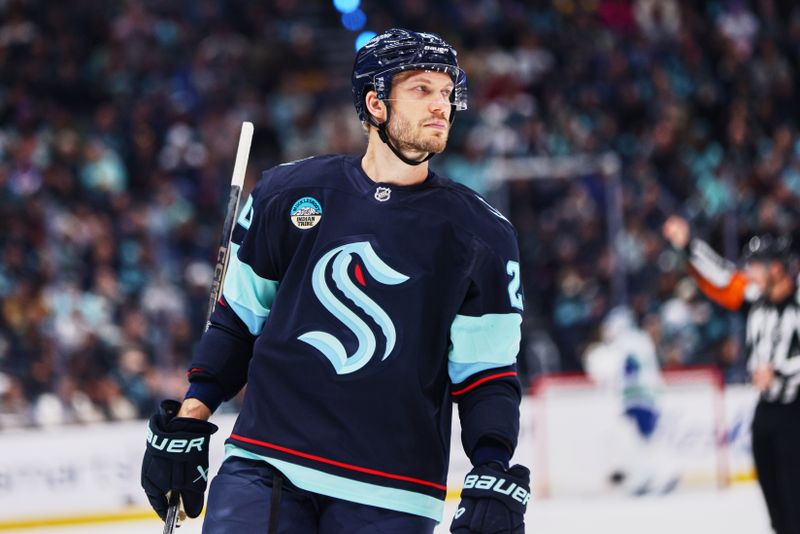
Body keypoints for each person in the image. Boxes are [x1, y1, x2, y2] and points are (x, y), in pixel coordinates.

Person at [141, 28, 530, 534]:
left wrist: (492, 467)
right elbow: (238, 320)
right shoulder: (289, 193)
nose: (442, 105)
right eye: (421, 89)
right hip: (266, 466)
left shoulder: (482, 235)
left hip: (394, 491)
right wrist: (193, 414)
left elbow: (487, 377)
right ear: (376, 103)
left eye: (446, 91)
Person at [663, 215, 800, 534]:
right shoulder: (755, 302)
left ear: (776, 268)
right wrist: (688, 246)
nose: (750, 273)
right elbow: (723, 277)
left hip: (796, 412)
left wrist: (779, 372)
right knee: (777, 508)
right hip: (766, 414)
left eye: (756, 266)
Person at [583, 307, 676, 495]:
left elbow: (625, 367)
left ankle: (658, 474)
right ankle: (649, 475)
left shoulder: (625, 342)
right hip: (645, 396)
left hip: (638, 397)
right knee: (640, 439)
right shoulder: (640, 339)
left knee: (641, 439)